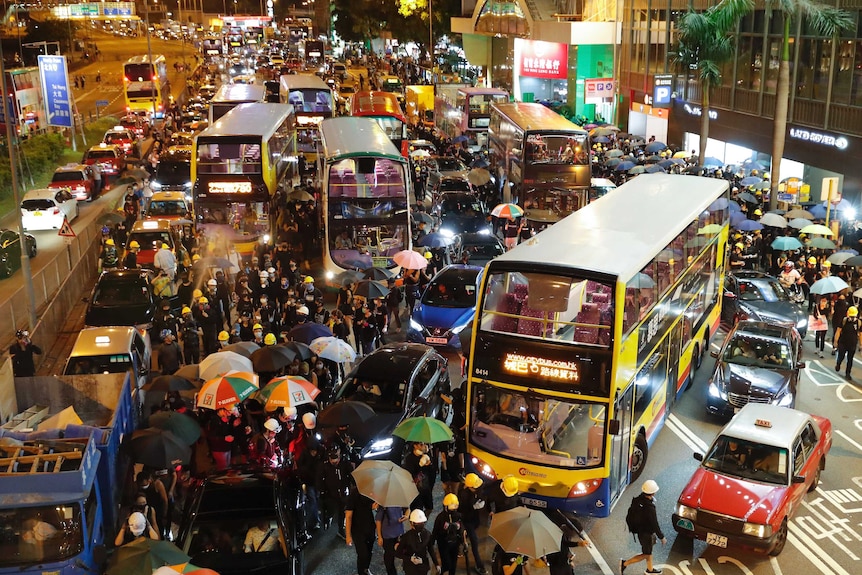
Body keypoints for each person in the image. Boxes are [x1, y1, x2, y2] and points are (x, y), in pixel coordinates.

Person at [620, 479, 666, 575]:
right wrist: (661, 537)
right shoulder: (649, 507)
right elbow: (655, 523)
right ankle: (624, 563)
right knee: (646, 553)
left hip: (641, 531)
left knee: (648, 551)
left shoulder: (638, 500)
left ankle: (650, 569)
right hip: (646, 534)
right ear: (653, 493)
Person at [457, 473, 488, 574]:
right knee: (474, 542)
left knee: (474, 529)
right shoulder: (463, 494)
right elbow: (462, 509)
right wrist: (473, 506)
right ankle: (479, 565)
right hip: (467, 520)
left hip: (474, 518)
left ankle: (461, 540)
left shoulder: (474, 487)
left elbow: (481, 493)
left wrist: (482, 500)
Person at [396, 509, 439, 575]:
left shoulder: (427, 534)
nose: (420, 525)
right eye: (417, 523)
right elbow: (398, 553)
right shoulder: (406, 537)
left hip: (423, 566)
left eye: (421, 523)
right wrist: (410, 558)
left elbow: (431, 549)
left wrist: (436, 564)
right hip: (410, 568)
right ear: (412, 523)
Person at [345, 488, 377, 575]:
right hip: (357, 530)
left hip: (370, 528)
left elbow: (373, 508)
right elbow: (348, 516)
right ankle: (361, 572)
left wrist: (374, 507)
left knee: (369, 552)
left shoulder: (372, 492)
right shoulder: (354, 494)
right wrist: (348, 536)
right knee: (362, 554)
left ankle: (366, 569)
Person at [431, 493, 465, 575]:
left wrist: (463, 541)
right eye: (452, 506)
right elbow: (435, 531)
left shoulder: (458, 516)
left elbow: (462, 529)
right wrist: (430, 544)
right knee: (447, 564)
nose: (454, 508)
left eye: (455, 505)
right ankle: (440, 572)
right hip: (443, 544)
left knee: (453, 565)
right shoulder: (440, 518)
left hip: (455, 542)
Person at [376, 506, 408, 575]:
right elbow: (378, 520)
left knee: (404, 553)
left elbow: (408, 509)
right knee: (389, 557)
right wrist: (379, 536)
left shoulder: (400, 500)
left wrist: (406, 516)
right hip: (387, 535)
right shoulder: (383, 504)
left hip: (399, 533)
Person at [834, 305, 862, 379]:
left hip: (852, 344)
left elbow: (860, 334)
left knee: (850, 359)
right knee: (841, 355)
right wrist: (836, 341)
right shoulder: (844, 321)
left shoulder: (859, 323)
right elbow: (838, 330)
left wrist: (861, 345)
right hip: (843, 342)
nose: (852, 318)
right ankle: (838, 363)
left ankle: (848, 373)